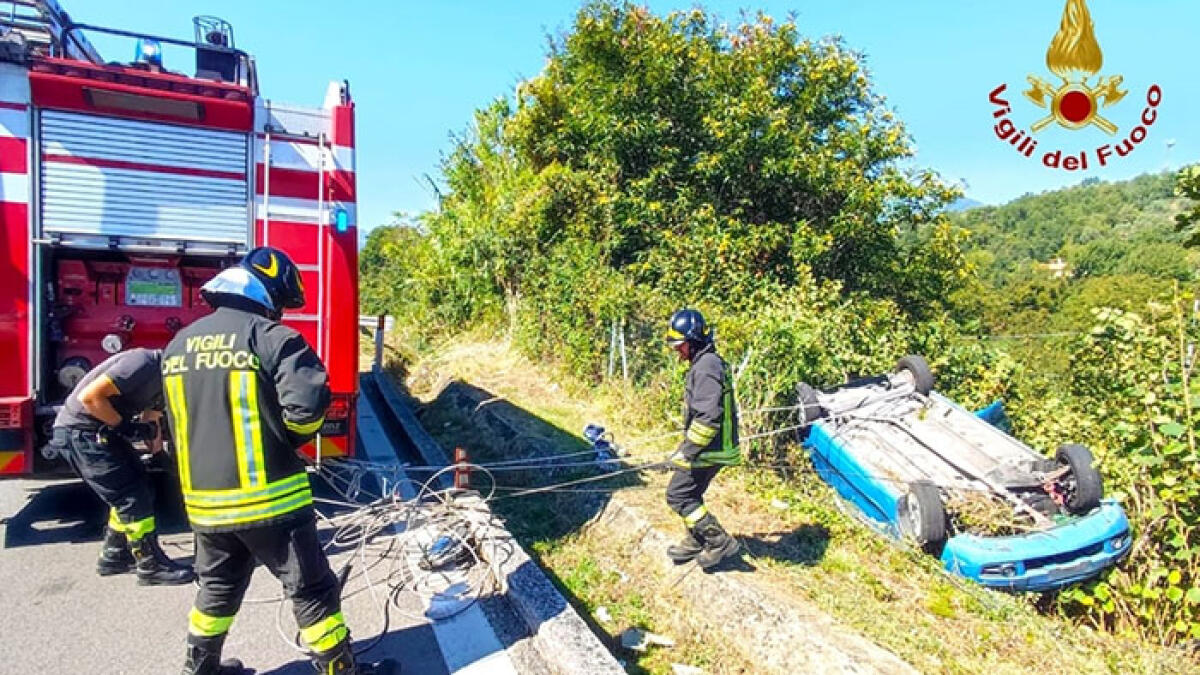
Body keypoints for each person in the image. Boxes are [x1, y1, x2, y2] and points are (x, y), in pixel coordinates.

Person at [163, 247, 393, 675]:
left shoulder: (179, 345)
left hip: (205, 505)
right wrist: (284, 441)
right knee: (312, 590)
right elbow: (308, 407)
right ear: (268, 293)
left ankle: (200, 670)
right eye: (282, 303)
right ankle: (341, 670)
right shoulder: (272, 338)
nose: (282, 313)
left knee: (216, 587)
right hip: (271, 503)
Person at [49, 348, 196, 586]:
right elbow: (91, 398)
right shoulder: (143, 363)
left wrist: (158, 455)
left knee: (141, 487)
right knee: (131, 497)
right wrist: (125, 426)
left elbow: (152, 418)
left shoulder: (168, 379)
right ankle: (150, 566)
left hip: (102, 431)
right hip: (81, 432)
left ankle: (114, 556)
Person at [663, 308, 742, 570]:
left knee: (678, 495)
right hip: (710, 447)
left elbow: (708, 417)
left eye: (680, 345)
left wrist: (687, 451)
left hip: (711, 449)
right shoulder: (705, 362)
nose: (678, 351)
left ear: (693, 340)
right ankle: (697, 540)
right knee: (692, 494)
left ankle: (719, 542)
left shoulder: (707, 367)